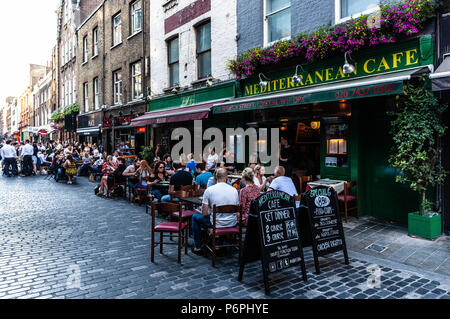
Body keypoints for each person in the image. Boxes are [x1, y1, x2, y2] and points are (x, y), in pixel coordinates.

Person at [191, 168, 240, 255]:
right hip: (232, 222)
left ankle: (197, 247)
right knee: (218, 217)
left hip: (216, 223)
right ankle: (218, 243)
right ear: (226, 177)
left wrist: (209, 210)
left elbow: (204, 213)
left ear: (216, 177)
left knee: (195, 217)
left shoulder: (209, 190)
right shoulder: (234, 190)